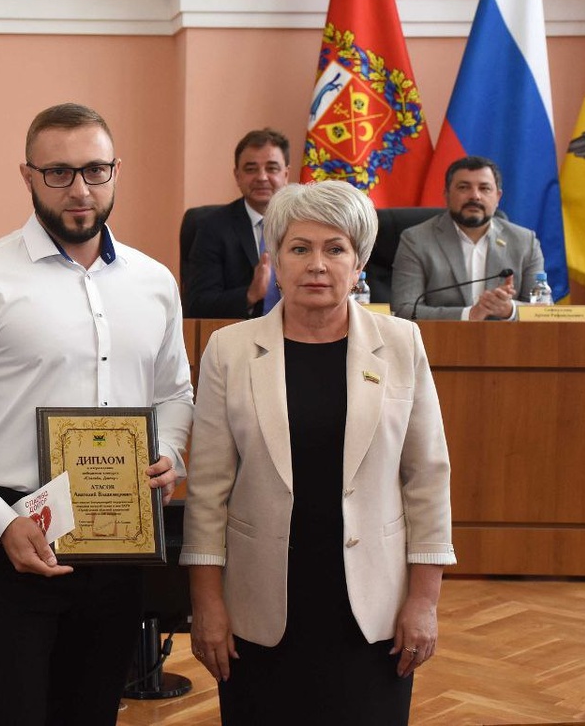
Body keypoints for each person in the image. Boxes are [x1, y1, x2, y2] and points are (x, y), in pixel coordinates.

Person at [0, 102, 194, 726]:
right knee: (5, 710)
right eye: (58, 173)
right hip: (16, 527)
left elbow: (175, 393)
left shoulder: (154, 281)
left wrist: (170, 447)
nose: (80, 189)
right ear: (28, 175)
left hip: (121, 531)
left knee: (91, 709)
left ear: (116, 170)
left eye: (94, 170)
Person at [182, 180, 455, 725]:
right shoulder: (230, 350)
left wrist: (424, 602)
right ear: (275, 262)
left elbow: (427, 478)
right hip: (260, 606)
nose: (317, 264)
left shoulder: (401, 344)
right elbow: (208, 489)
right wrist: (207, 604)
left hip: (372, 608)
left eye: (335, 249)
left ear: (359, 265)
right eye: (299, 248)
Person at [392, 155, 545, 320]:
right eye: (464, 187)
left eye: (484, 188)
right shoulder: (416, 240)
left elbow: (542, 311)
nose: (475, 196)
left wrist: (510, 310)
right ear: (446, 194)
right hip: (440, 341)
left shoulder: (525, 241)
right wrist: (469, 314)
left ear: (498, 197)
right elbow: (404, 309)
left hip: (507, 342)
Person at [184, 127, 290, 318]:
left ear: (286, 175)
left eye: (272, 168)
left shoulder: (305, 224)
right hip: (241, 337)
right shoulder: (212, 227)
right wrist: (250, 294)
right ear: (237, 176)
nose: (262, 177)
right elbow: (197, 304)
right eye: (251, 169)